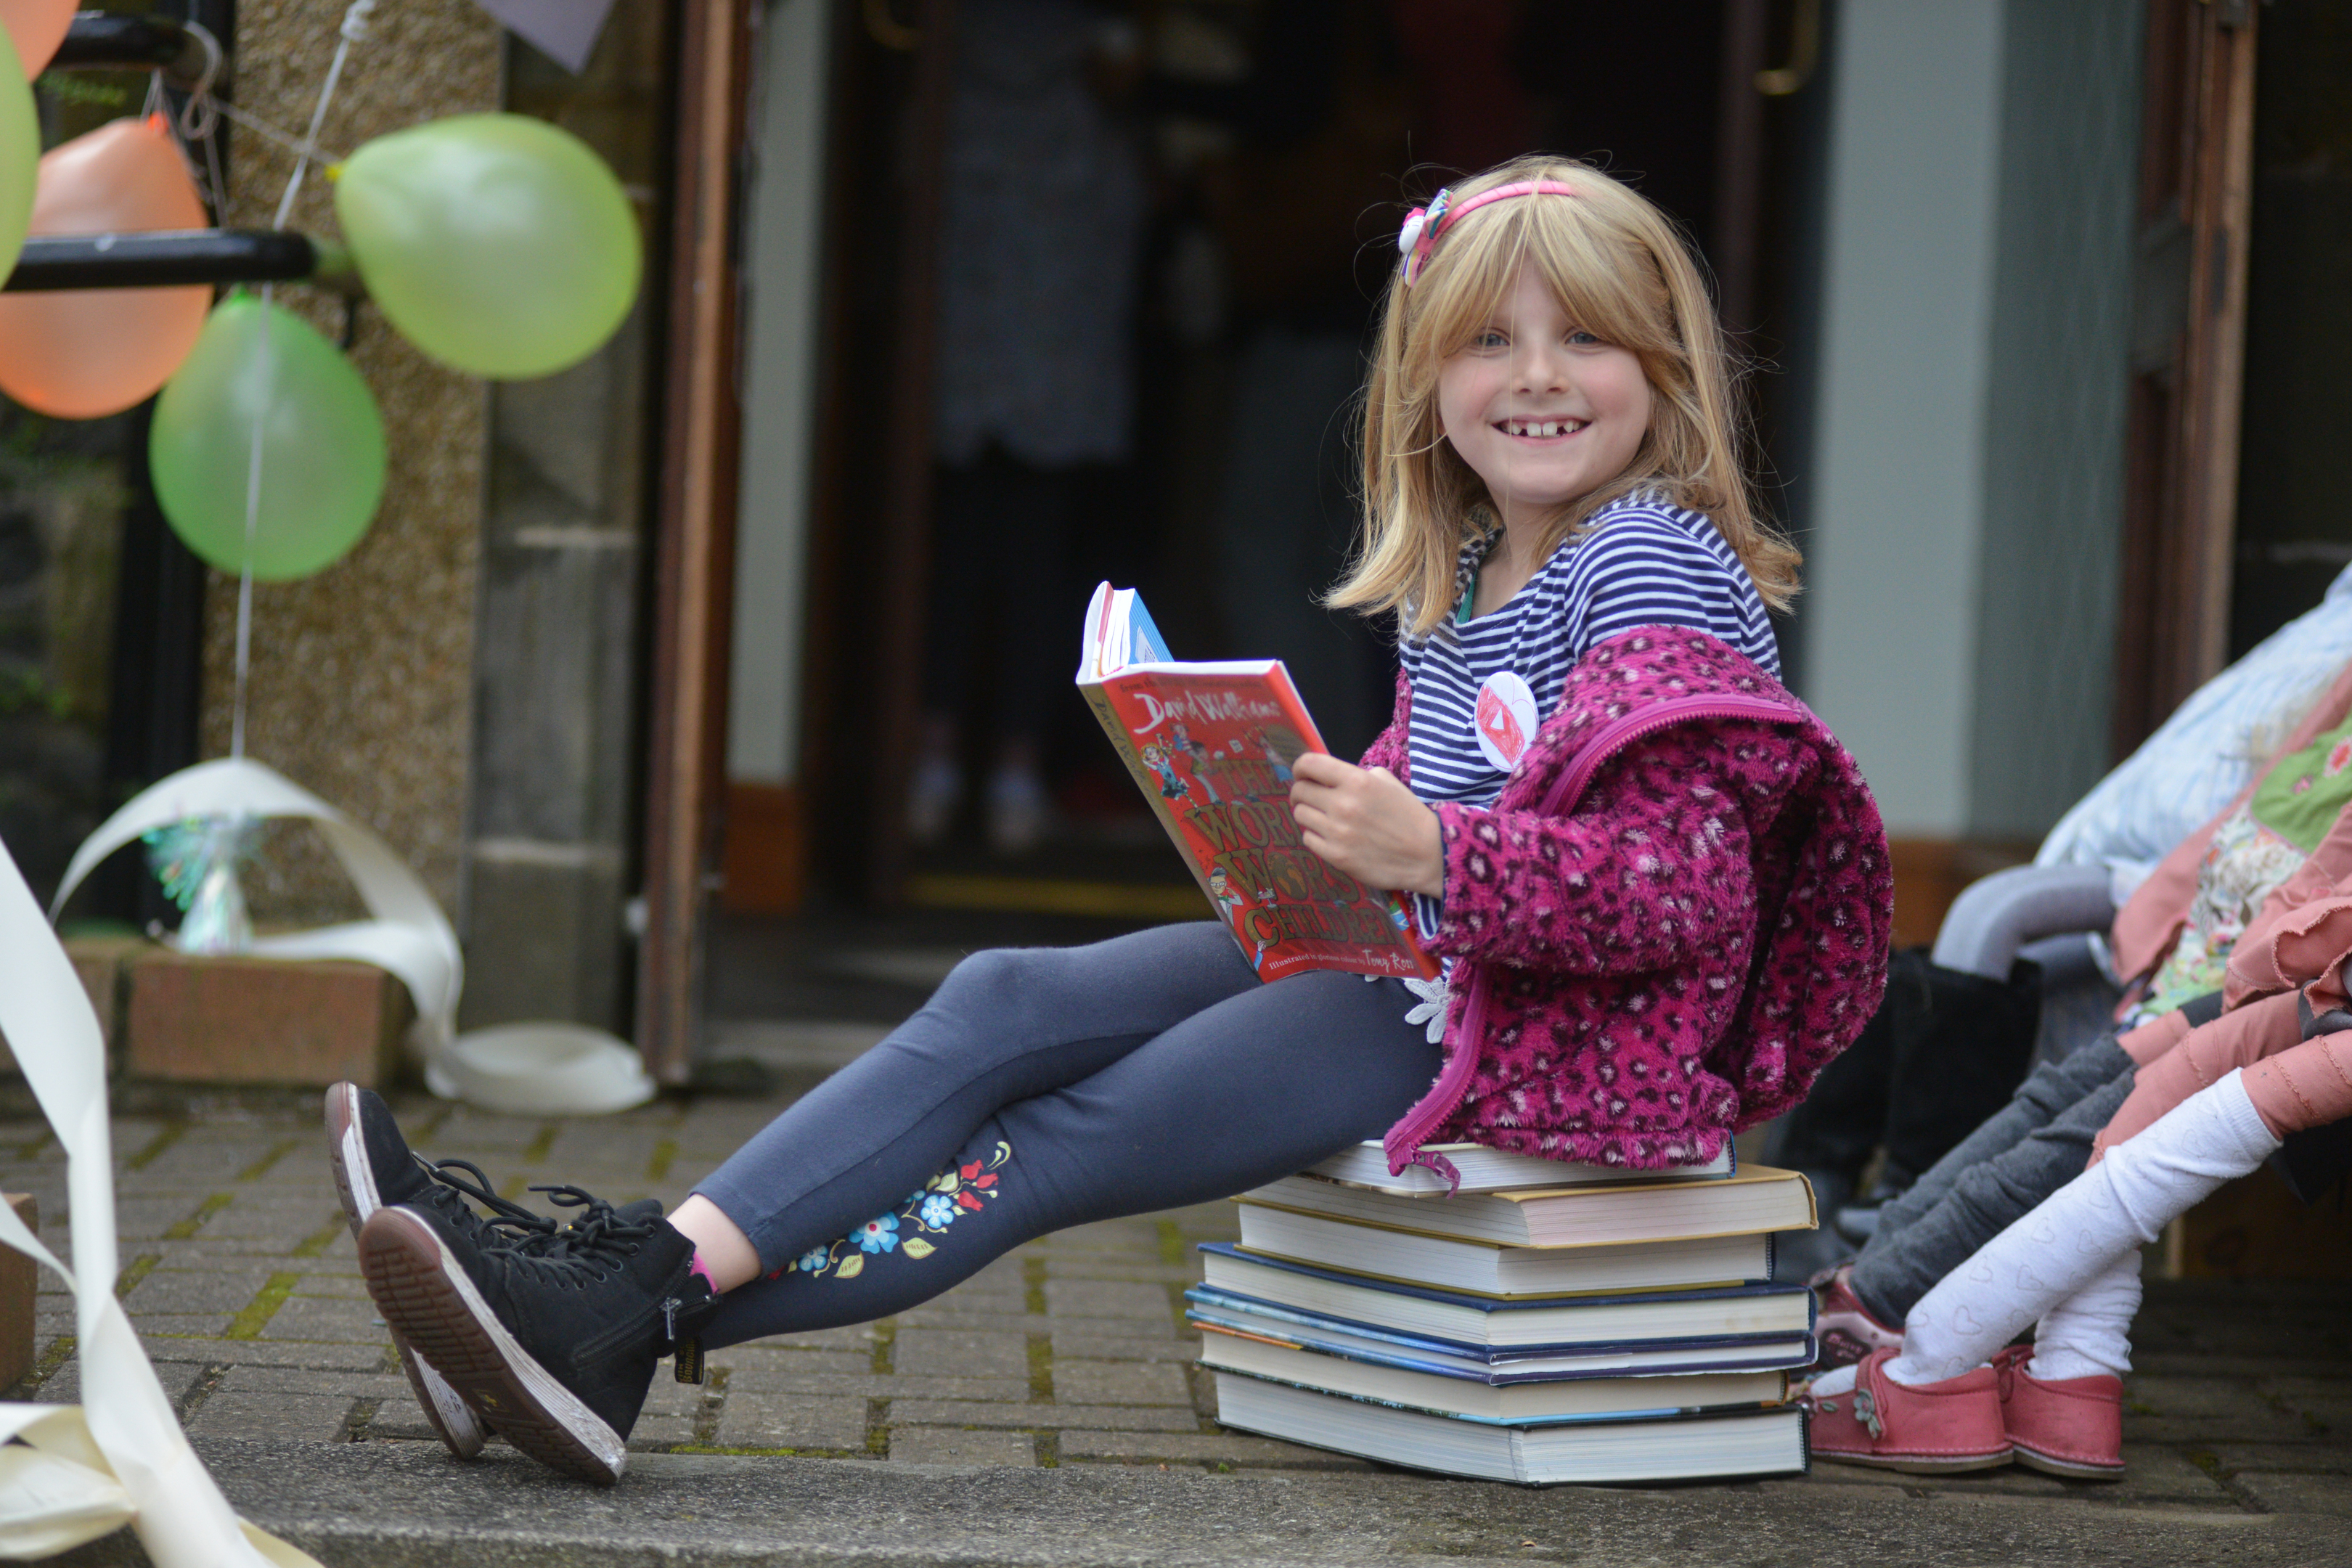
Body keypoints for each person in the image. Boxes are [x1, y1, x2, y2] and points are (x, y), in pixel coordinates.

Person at [340, 157, 1893, 1486]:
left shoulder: (1651, 565)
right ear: (1426, 382)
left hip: (1520, 1031)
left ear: (1666, 376)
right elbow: (1448, 796)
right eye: (1489, 340)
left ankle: (603, 1319)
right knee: (1004, 998)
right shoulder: (1480, 568)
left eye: (1588, 343)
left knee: (1051, 1143)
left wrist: (1435, 854)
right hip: (1423, 960)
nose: (1537, 375)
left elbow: (1690, 887)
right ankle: (600, 1296)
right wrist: (1272, 812)